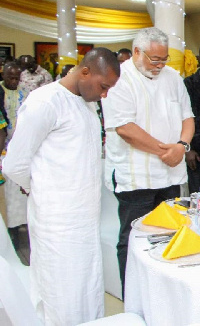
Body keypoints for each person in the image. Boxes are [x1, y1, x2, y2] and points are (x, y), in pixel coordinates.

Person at [2, 47, 120, 325]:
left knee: (86, 289)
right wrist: (42, 189)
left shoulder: (85, 101)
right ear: (85, 71)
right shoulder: (45, 101)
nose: (105, 95)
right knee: (61, 295)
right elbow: (14, 164)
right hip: (57, 221)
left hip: (85, 218)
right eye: (104, 86)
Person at [102, 27, 195, 299]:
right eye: (155, 59)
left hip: (171, 176)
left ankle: (164, 297)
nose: (160, 65)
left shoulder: (173, 78)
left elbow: (187, 118)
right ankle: (134, 298)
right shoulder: (119, 79)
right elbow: (125, 128)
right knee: (133, 240)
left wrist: (182, 146)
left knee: (171, 236)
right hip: (135, 178)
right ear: (137, 52)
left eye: (164, 58)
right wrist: (166, 151)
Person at [0, 62, 28, 249]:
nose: (14, 81)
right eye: (10, 77)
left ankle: (20, 227)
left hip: (19, 145)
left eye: (17, 78)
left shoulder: (26, 93)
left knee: (17, 195)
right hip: (3, 146)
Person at [184, 69, 200, 193]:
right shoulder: (188, 84)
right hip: (195, 153)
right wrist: (187, 149)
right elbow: (181, 119)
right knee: (196, 198)